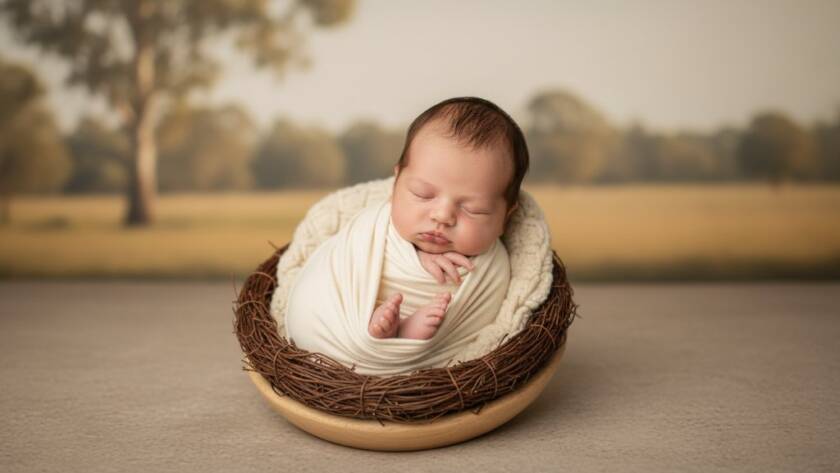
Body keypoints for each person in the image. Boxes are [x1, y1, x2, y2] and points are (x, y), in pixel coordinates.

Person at [368, 97, 530, 340]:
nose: (442, 216)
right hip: (351, 314)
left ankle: (404, 334)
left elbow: (486, 329)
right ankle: (369, 323)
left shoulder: (492, 269)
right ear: (396, 182)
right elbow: (342, 266)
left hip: (441, 345)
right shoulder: (373, 228)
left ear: (505, 218)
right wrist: (417, 258)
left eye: (474, 210)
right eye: (422, 194)